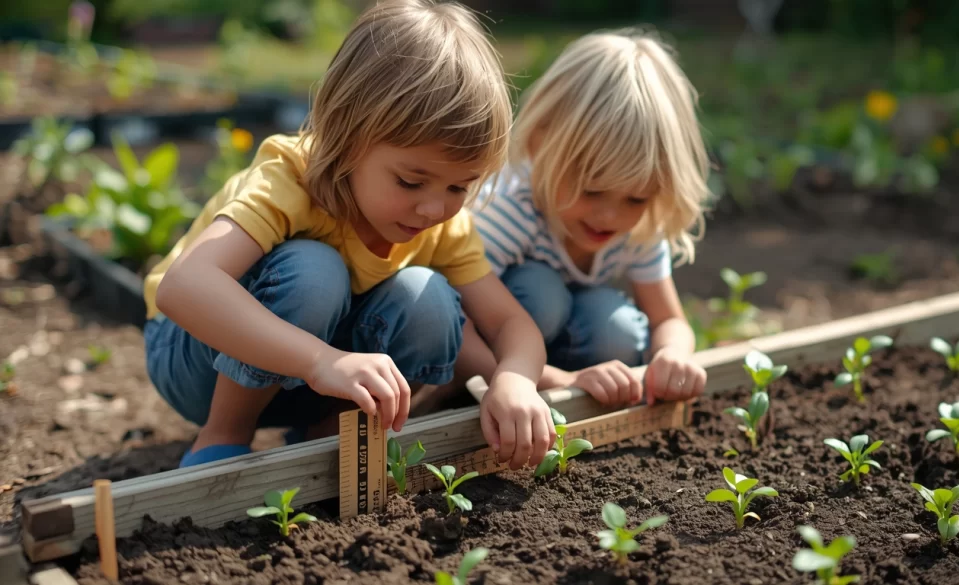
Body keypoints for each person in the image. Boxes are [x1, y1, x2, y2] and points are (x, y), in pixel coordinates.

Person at [142, 0, 555, 470]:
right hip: (196, 361)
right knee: (313, 270)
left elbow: (510, 324)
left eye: (460, 186)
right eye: (410, 181)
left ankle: (325, 433)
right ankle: (222, 437)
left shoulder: (442, 224)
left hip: (311, 381)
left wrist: (516, 380)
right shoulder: (291, 179)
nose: (434, 207)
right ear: (347, 136)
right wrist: (321, 361)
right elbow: (184, 287)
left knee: (431, 300)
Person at [461, 28, 711, 407]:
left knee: (619, 334)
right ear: (541, 144)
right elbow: (457, 332)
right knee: (542, 296)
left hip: (550, 353)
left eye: (635, 198)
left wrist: (672, 355)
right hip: (488, 355)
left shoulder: (639, 227)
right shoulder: (511, 208)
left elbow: (669, 320)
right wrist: (557, 381)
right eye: (591, 191)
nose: (610, 215)